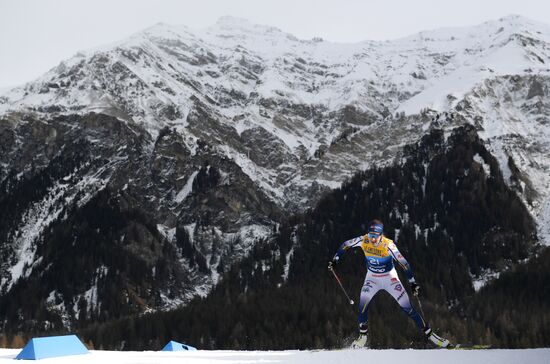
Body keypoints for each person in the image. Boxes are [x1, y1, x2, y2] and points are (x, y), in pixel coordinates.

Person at [328, 219, 450, 348]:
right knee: (362, 306)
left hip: (389, 278)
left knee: (408, 308)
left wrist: (413, 283)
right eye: (371, 235)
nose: (372, 239)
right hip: (372, 278)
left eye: (375, 236)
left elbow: (404, 263)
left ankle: (431, 336)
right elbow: (346, 244)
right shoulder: (364, 240)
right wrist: (335, 259)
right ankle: (362, 337)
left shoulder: (388, 245)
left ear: (381, 235)